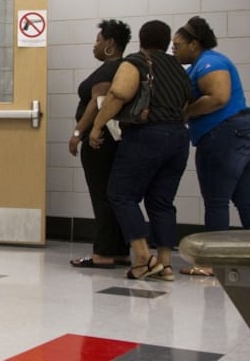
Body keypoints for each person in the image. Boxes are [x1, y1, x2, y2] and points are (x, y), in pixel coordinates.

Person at [89, 20, 191, 281]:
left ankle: (143, 258)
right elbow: (187, 101)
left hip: (147, 135)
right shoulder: (179, 68)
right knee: (162, 202)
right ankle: (165, 264)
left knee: (121, 194)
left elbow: (118, 93)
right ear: (167, 41)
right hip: (179, 137)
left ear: (141, 40)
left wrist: (97, 126)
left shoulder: (136, 62)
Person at [173, 16, 250, 277]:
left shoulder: (209, 62)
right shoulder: (200, 64)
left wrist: (188, 113)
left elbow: (219, 97)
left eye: (178, 45)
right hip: (238, 134)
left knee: (216, 201)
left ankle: (211, 263)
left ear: (194, 44)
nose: (175, 50)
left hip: (221, 135)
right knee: (245, 200)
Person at [69, 20, 132, 269]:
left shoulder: (109, 69)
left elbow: (98, 103)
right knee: (113, 195)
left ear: (110, 43)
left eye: (98, 40)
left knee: (102, 196)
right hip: (112, 142)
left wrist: (77, 132)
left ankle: (103, 253)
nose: (94, 45)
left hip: (99, 141)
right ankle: (119, 251)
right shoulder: (121, 68)